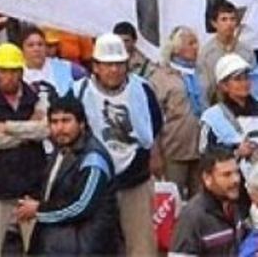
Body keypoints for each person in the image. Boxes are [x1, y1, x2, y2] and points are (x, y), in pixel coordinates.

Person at [72, 32, 162, 257]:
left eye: (119, 64)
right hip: (94, 182)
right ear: (96, 66)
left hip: (135, 179)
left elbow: (156, 126)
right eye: (108, 65)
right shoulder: (79, 91)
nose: (114, 70)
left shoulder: (142, 89)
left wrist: (155, 156)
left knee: (142, 245)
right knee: (96, 245)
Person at [15, 94, 119, 255]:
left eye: (66, 121)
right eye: (54, 122)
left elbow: (81, 206)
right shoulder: (61, 150)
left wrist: (38, 210)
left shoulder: (93, 159)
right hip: (56, 244)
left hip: (84, 247)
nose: (60, 128)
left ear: (82, 124)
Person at [0, 43, 48, 257]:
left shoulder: (35, 94)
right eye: (4, 71)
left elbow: (45, 129)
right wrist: (26, 134)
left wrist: (10, 127)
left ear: (21, 71)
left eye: (14, 71)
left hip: (30, 179)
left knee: (34, 245)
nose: (9, 77)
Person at [150, 25, 203, 199]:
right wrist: (155, 153)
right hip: (173, 149)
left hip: (200, 148)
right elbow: (153, 118)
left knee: (200, 199)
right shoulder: (161, 77)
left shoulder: (201, 73)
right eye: (191, 43)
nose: (196, 47)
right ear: (177, 48)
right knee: (174, 200)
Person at [0, 27, 86, 104]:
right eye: (30, 45)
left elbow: (85, 79)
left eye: (40, 44)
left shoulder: (65, 67)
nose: (36, 49)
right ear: (22, 49)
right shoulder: (13, 68)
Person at [169, 148, 246, 256]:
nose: (236, 179)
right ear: (207, 179)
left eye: (237, 172)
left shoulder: (234, 207)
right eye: (226, 175)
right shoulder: (192, 217)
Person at [199, 54, 258, 181]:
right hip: (231, 183)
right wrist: (236, 152)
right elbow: (206, 155)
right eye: (238, 79)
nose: (244, 83)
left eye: (246, 78)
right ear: (223, 86)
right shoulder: (212, 118)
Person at [200, 0, 255, 106]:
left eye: (232, 19)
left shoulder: (246, 51)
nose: (229, 24)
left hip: (245, 109)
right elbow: (204, 91)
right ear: (214, 23)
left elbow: (254, 84)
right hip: (218, 109)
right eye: (224, 19)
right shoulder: (206, 54)